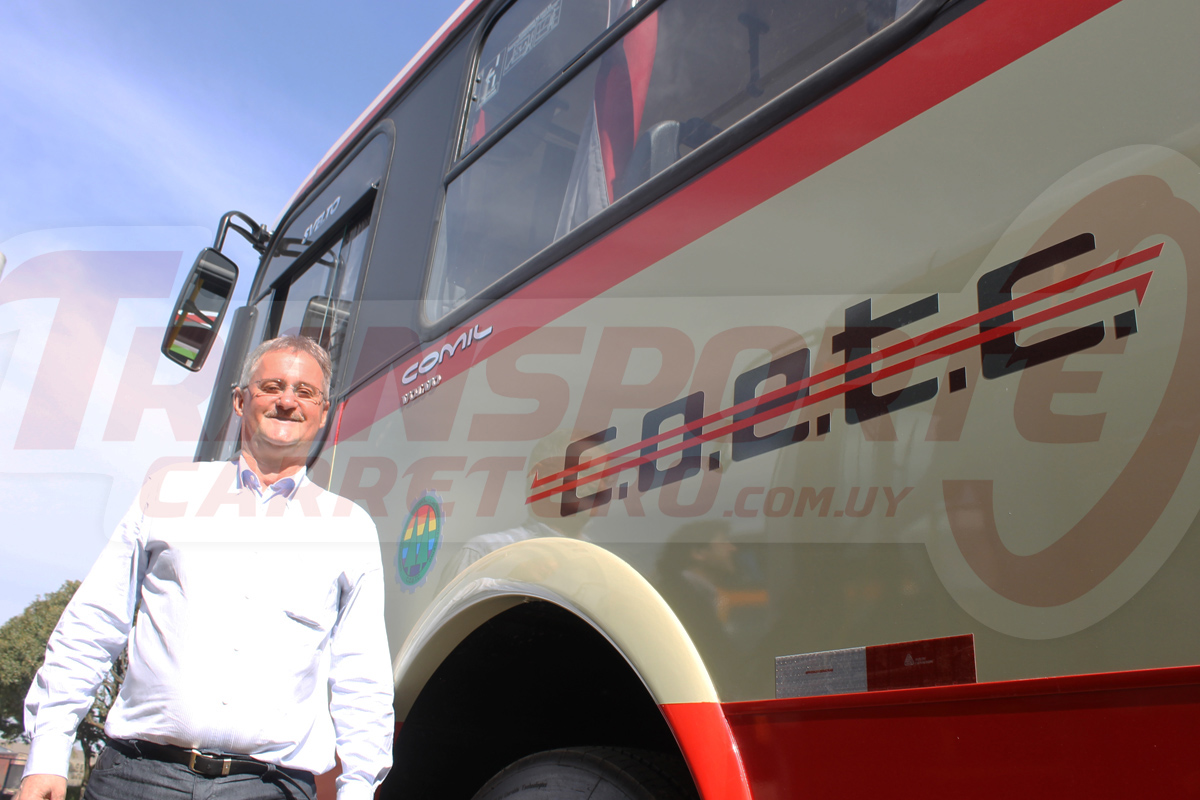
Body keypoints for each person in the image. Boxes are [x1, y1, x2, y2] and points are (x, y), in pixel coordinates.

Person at [19, 336, 394, 800]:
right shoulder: (170, 491)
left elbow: (363, 676)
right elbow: (94, 624)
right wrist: (48, 753)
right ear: (240, 400)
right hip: (137, 777)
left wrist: (358, 788)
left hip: (268, 787)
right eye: (272, 386)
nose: (286, 402)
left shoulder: (349, 529)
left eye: (304, 393)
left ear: (324, 411)